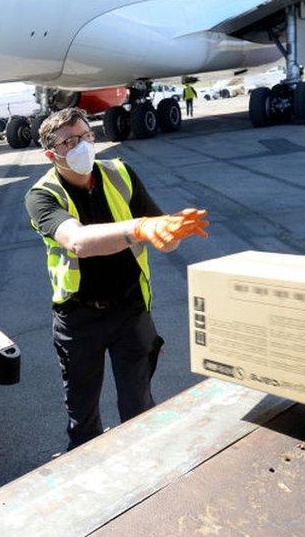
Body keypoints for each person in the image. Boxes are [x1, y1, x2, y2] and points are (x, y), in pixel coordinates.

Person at [25, 108, 209, 451]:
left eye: (85, 136)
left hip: (130, 310)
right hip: (79, 319)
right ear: (51, 155)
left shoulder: (121, 173)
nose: (82, 146)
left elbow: (162, 236)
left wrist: (170, 233)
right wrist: (139, 228)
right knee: (83, 419)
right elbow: (77, 241)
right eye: (69, 141)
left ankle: (142, 476)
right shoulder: (42, 195)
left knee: (139, 408)